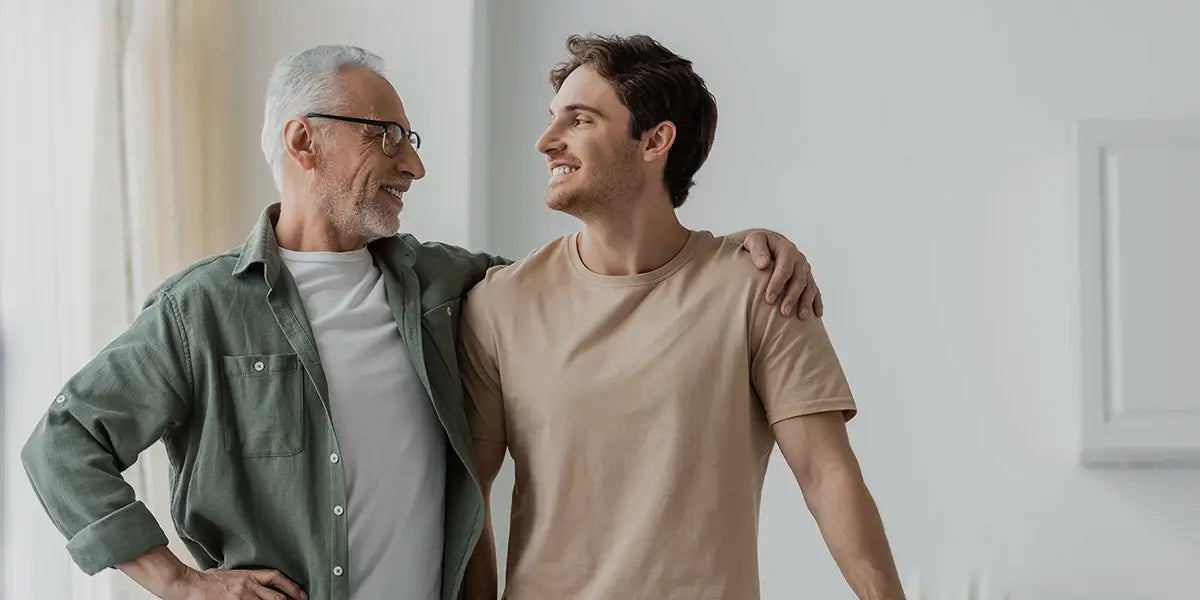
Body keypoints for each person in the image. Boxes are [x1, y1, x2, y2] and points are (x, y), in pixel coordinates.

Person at [21, 45, 822, 600]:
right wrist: (178, 581)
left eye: (413, 140)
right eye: (389, 138)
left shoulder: (448, 286)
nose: (414, 164)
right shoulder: (200, 312)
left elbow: (609, 271)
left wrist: (742, 250)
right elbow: (62, 445)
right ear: (305, 140)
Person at [460, 34, 905, 600]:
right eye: (554, 120)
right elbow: (468, 496)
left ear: (655, 140)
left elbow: (826, 475)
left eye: (579, 121)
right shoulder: (500, 303)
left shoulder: (759, 288)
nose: (547, 142)